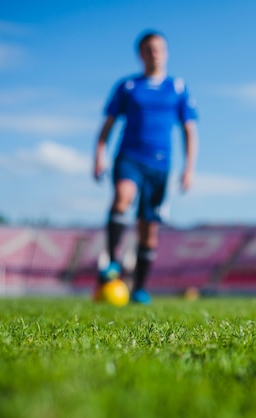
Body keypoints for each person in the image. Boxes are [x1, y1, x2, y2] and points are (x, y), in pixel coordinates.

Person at [93, 30, 198, 304]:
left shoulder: (177, 87)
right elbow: (108, 125)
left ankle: (139, 287)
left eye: (159, 49)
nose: (155, 54)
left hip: (160, 164)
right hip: (129, 156)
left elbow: (190, 130)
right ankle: (113, 261)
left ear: (166, 53)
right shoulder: (127, 86)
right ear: (140, 54)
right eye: (149, 49)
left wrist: (189, 168)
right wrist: (99, 154)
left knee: (148, 229)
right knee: (122, 197)